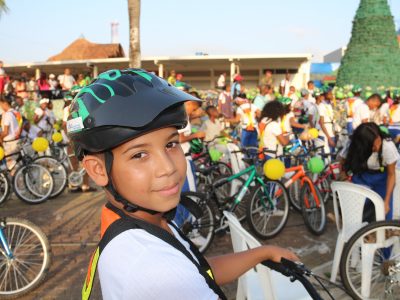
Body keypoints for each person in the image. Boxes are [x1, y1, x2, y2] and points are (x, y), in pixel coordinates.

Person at [68, 69, 298, 300]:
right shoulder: (154, 270)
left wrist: (261, 253)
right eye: (139, 155)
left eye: (170, 144)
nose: (167, 167)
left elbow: (198, 270)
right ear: (98, 169)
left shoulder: (140, 223)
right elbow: (181, 277)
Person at [343, 122, 399, 221]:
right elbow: (342, 163)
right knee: (356, 206)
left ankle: (383, 230)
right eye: (372, 146)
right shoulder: (353, 146)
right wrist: (345, 179)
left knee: (383, 212)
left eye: (378, 141)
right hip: (362, 176)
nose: (377, 147)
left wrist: (386, 200)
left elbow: (391, 175)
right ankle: (351, 224)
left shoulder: (387, 146)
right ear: (362, 145)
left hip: (382, 178)